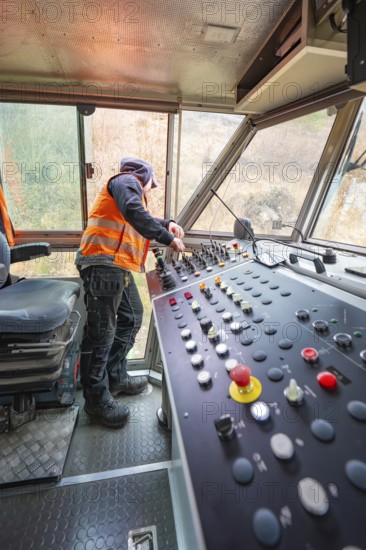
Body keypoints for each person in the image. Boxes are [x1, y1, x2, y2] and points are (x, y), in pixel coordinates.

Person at [75, 157, 185, 428]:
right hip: (102, 264)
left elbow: (138, 215)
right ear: (143, 177)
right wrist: (169, 238)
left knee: (133, 316)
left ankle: (115, 376)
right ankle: (96, 401)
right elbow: (135, 211)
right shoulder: (126, 181)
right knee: (102, 334)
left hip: (116, 266)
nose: (151, 190)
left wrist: (166, 222)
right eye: (151, 185)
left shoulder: (128, 191)